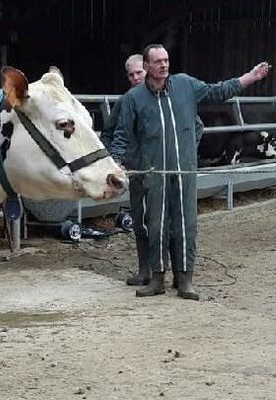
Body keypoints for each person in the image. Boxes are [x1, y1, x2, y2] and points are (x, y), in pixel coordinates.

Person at [109, 43, 271, 300]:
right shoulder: (133, 99)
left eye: (166, 60)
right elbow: (121, 134)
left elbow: (217, 92)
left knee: (186, 224)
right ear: (147, 66)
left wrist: (249, 78)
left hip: (184, 172)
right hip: (155, 173)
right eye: (158, 61)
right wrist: (115, 162)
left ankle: (185, 280)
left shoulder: (186, 85)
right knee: (156, 224)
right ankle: (158, 278)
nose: (163, 65)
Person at [101, 54, 152, 287]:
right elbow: (108, 133)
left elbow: (195, 126)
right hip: (137, 171)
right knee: (140, 219)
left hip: (165, 169)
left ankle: (171, 270)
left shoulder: (165, 98)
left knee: (168, 220)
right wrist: (116, 161)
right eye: (130, 75)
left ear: (148, 70)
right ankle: (145, 270)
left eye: (139, 73)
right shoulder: (125, 102)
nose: (135, 78)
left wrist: (185, 154)